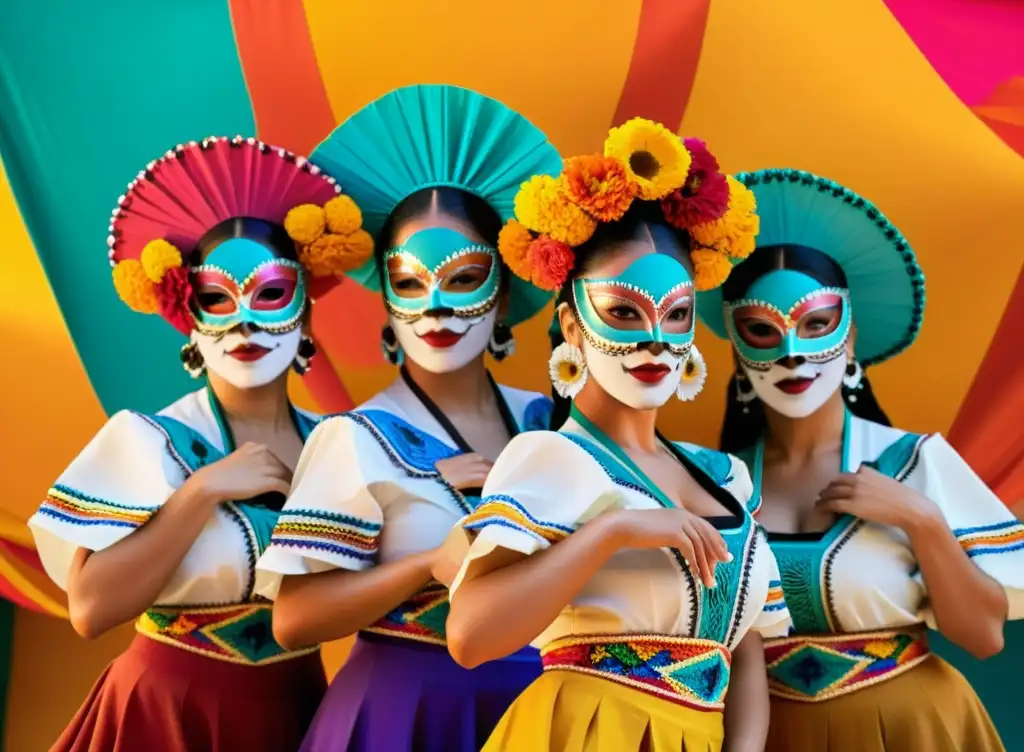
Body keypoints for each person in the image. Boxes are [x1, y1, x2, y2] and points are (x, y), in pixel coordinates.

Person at [444, 121, 790, 752]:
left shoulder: (728, 479)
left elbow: (746, 657)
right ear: (572, 327)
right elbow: (470, 637)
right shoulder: (552, 457)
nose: (656, 338)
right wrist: (610, 533)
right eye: (625, 312)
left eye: (676, 314)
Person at [28, 136, 373, 751]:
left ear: (304, 312)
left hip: (297, 707)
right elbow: (90, 610)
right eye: (217, 298)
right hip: (165, 714)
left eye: (269, 294)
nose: (244, 322)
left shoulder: (342, 445)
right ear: (189, 315)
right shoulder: (149, 440)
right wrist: (201, 491)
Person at [254, 84, 562, 752]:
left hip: (542, 712)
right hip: (404, 715)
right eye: (411, 282)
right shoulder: (356, 438)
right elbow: (294, 619)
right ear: (386, 298)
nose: (435, 307)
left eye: (463, 279)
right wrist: (429, 562)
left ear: (504, 292)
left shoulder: (551, 424)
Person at [698, 168, 1024, 751]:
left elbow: (982, 637)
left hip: (912, 729)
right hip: (768, 733)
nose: (794, 354)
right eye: (762, 331)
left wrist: (921, 519)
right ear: (735, 345)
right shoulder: (717, 482)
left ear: (848, 340)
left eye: (816, 325)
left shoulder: (915, 461)